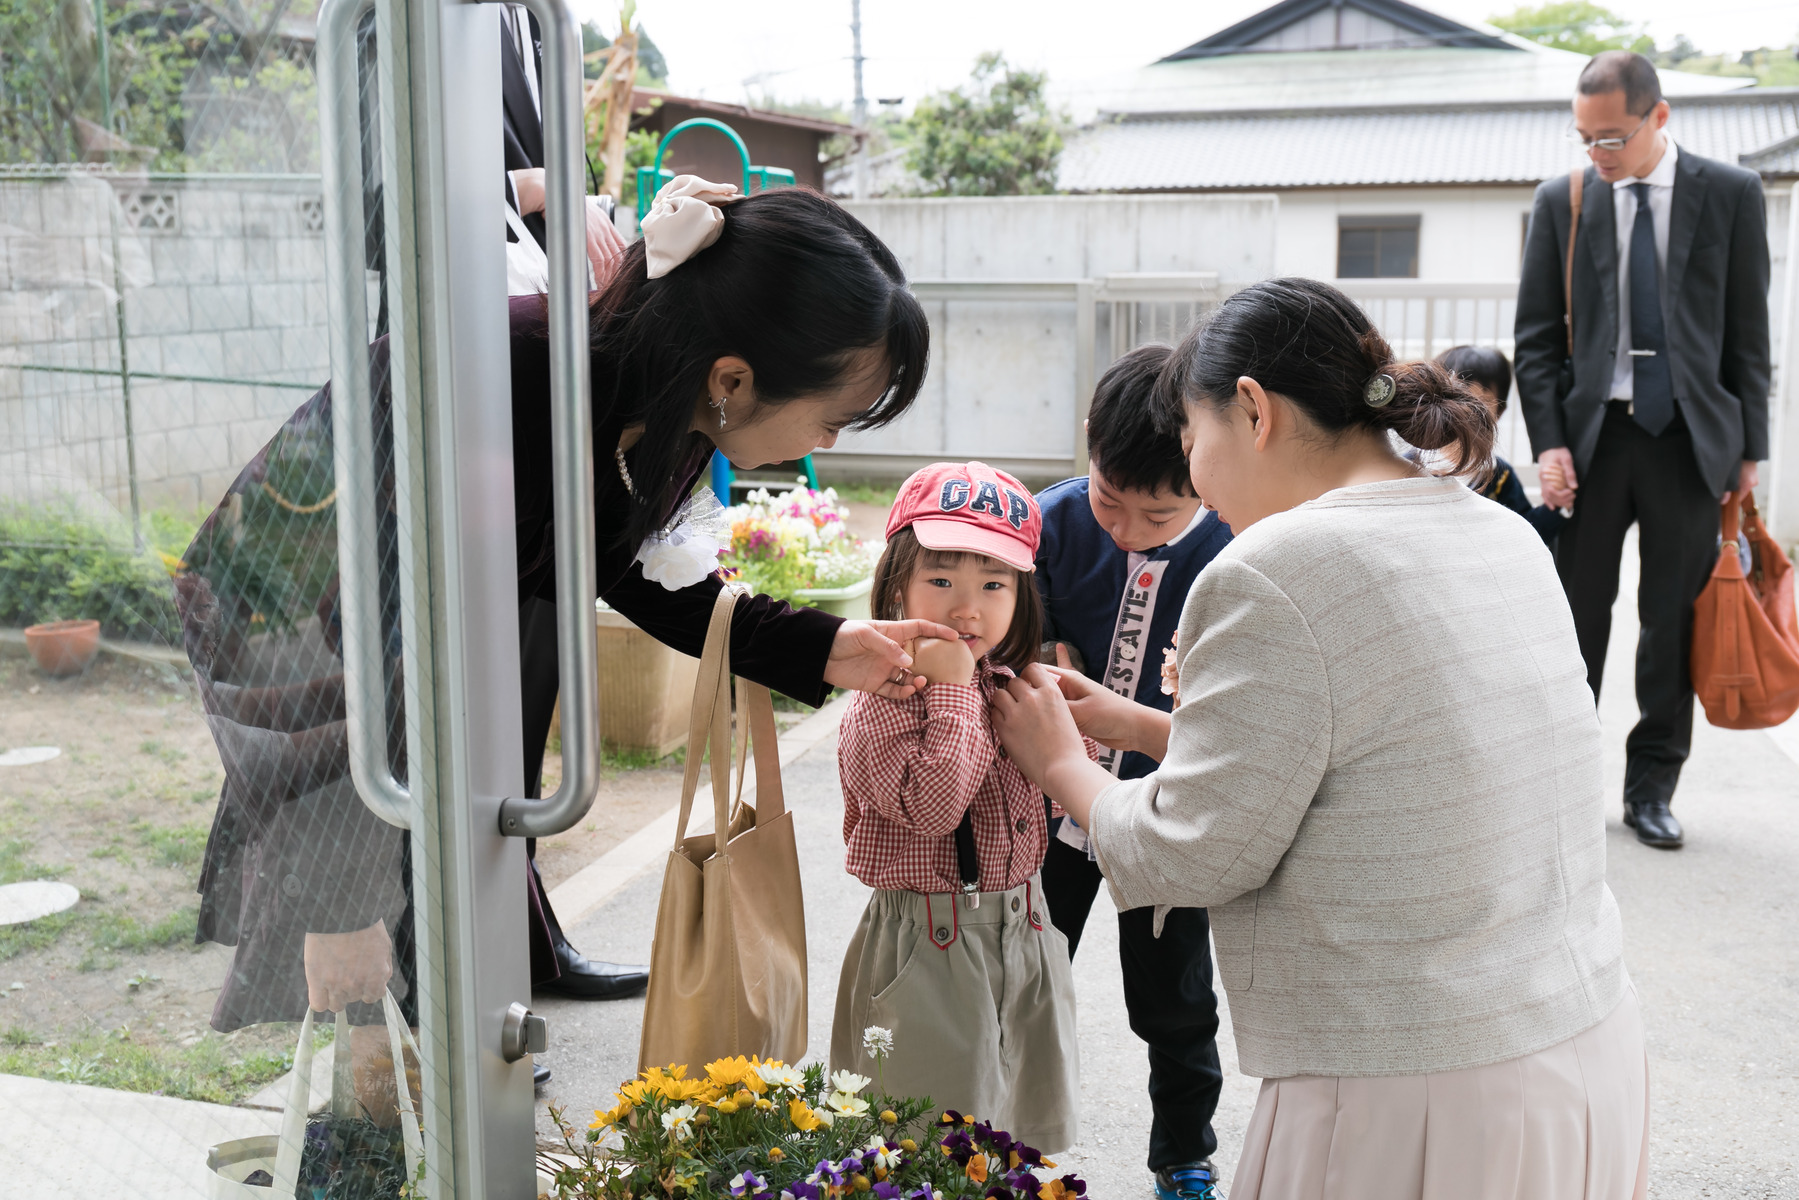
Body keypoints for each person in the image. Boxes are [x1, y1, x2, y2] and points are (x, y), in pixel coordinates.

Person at [176, 182, 952, 1104]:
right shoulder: (494, 389)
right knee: (370, 994)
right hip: (298, 661)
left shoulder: (658, 399)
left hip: (407, 689)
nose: (828, 438)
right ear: (735, 379)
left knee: (424, 998)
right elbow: (354, 660)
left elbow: (635, 569)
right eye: (834, 416)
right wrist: (334, 900)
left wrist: (825, 646)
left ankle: (412, 1099)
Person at [991, 278, 1647, 1200]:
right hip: (1578, 1043)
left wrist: (1060, 762)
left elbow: (1190, 850)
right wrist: (1133, 723)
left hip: (1410, 1082)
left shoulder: (1275, 566)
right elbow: (1356, 762)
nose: (1199, 483)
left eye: (1192, 442)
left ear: (1251, 411)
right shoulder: (1497, 529)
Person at [1514, 50, 1771, 850]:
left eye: (1611, 137)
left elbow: (1748, 331)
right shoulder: (1563, 199)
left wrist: (1748, 449)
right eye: (1583, 137)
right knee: (1574, 622)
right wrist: (1548, 443)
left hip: (1688, 440)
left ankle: (1651, 788)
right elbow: (1535, 340)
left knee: (1670, 624)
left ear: (1658, 117)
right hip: (1592, 440)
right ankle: (1563, 789)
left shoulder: (1729, 193)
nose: (1596, 152)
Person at [830, 462, 1085, 1154]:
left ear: (1022, 597)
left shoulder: (1008, 684)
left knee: (1015, 1136)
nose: (966, 609)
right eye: (941, 581)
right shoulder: (885, 703)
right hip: (928, 943)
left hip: (1025, 929)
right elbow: (935, 807)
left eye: (994, 585)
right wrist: (948, 690)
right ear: (896, 588)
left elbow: (1068, 782)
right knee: (925, 1143)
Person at [1033, 346, 1232, 1200]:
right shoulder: (1047, 523)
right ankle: (999, 1137)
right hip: (1046, 811)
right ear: (1088, 441)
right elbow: (1013, 620)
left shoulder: (1235, 549)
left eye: (1156, 515)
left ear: (1202, 471)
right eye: (1108, 500)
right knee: (1026, 976)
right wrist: (1040, 647)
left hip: (1164, 812)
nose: (1125, 530)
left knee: (1174, 1000)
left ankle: (1184, 1153)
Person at [1429, 345, 1565, 546]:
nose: (1471, 410)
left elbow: (1527, 529)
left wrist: (1556, 505)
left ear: (1499, 411)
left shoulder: (1499, 474)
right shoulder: (1413, 466)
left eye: (1483, 401)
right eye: (1460, 398)